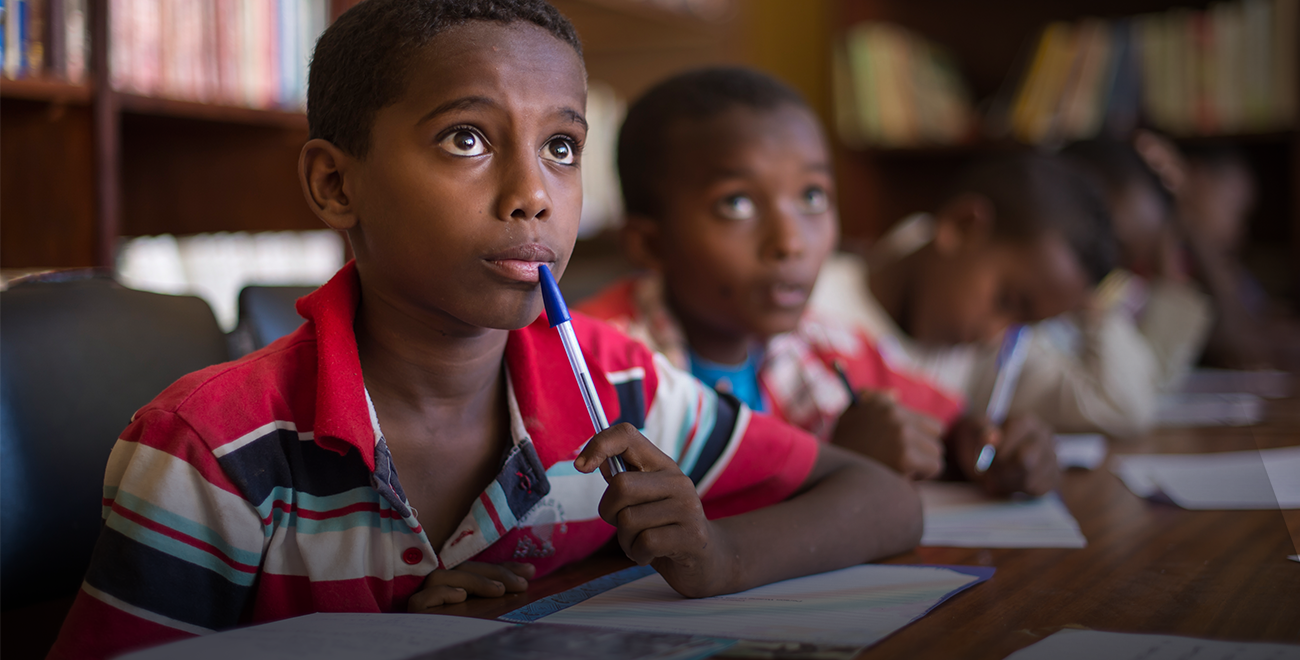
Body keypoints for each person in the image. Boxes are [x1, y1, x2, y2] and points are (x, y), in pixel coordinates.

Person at [48, 3, 921, 659]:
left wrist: (721, 555)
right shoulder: (211, 451)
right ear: (334, 185)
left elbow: (885, 499)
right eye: (467, 138)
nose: (532, 192)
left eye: (563, 148)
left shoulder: (622, 392)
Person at [579, 67, 1056, 494]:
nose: (791, 242)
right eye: (737, 204)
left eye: (812, 196)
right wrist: (839, 469)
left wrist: (989, 445)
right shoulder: (594, 365)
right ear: (650, 244)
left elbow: (948, 425)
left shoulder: (827, 347)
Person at [809, 154, 1147, 438]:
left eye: (1025, 323)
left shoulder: (988, 355)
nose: (995, 334)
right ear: (962, 227)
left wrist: (1094, 306)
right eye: (1008, 301)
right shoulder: (811, 304)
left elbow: (1122, 405)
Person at [1133, 132, 1300, 371]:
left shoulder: (1220, 262)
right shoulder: (1167, 255)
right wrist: (1188, 216)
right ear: (1197, 178)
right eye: (1235, 209)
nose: (1241, 231)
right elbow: (1237, 346)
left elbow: (1251, 334)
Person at [1061, 139, 1213, 392]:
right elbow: (1132, 393)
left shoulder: (1113, 298)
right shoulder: (1041, 322)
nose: (1114, 274)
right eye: (1116, 247)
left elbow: (1154, 375)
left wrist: (1169, 230)